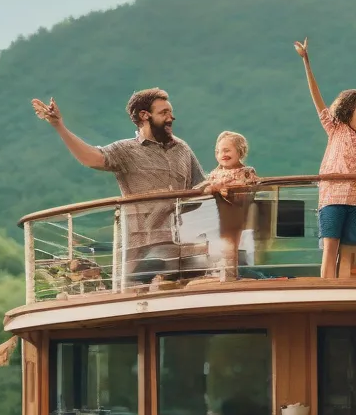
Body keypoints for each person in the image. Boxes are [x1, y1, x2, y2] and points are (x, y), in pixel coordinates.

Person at [31, 89, 206, 285]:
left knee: (213, 267)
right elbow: (90, 158)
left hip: (181, 243)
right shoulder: (126, 150)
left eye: (170, 112)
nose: (171, 117)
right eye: (164, 112)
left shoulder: (182, 149)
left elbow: (201, 188)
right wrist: (59, 125)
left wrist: (230, 179)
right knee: (143, 290)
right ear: (144, 115)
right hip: (142, 248)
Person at [294, 37, 356, 279]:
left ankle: (344, 289)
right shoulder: (336, 128)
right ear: (349, 108)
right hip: (333, 197)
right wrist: (306, 62)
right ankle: (326, 288)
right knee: (330, 248)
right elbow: (317, 98)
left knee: (350, 251)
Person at [200, 130, 259, 281]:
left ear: (240, 151)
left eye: (227, 150)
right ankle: (218, 273)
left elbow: (250, 190)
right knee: (216, 245)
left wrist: (229, 190)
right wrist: (212, 188)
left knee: (232, 244)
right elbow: (203, 189)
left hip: (236, 212)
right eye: (219, 151)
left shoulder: (246, 172)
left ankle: (231, 275)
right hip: (216, 214)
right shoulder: (214, 174)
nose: (223, 154)